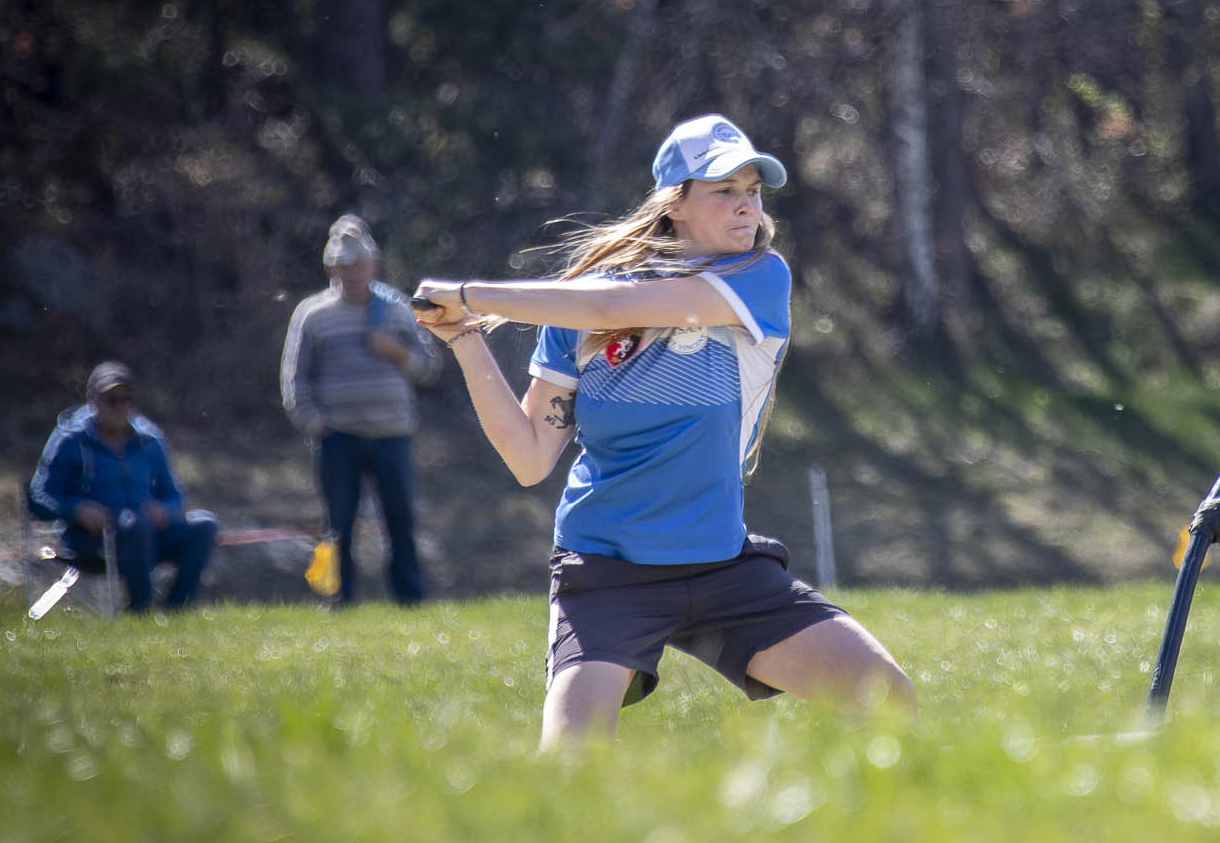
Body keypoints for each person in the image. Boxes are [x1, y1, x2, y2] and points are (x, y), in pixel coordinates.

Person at [410, 113, 915, 747]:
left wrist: (469, 293)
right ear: (674, 205)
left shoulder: (758, 279)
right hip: (606, 573)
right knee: (569, 760)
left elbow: (609, 308)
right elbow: (530, 457)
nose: (746, 209)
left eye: (753, 191)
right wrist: (463, 337)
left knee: (888, 699)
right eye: (723, 191)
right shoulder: (575, 308)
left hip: (723, 565)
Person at [280, 214, 441, 606]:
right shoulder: (312, 314)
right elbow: (294, 378)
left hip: (392, 434)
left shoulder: (398, 309)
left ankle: (409, 599)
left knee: (400, 520)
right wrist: (312, 422)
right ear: (330, 266)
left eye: (359, 264)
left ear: (374, 264)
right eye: (344, 264)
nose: (352, 272)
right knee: (337, 526)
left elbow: (429, 367)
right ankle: (337, 600)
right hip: (338, 437)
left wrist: (397, 351)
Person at [28, 361, 220, 612]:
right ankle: (141, 610)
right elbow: (39, 497)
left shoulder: (150, 440)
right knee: (135, 525)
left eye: (126, 399)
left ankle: (177, 609)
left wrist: (166, 510)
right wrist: (77, 510)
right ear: (93, 400)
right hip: (91, 541)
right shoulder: (70, 441)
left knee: (204, 525)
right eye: (111, 400)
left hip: (148, 535)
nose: (120, 407)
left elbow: (174, 494)